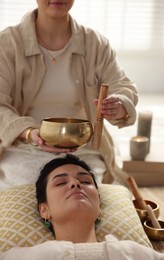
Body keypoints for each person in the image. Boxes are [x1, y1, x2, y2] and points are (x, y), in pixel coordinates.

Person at [0, 0, 138, 190]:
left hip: (82, 150)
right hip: (23, 149)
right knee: (31, 192)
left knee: (82, 194)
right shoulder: (7, 43)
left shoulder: (96, 44)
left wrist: (119, 105)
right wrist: (30, 133)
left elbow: (123, 86)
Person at [0, 154, 164, 260]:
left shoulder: (134, 253)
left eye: (85, 181)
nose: (75, 183)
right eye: (60, 183)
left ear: (98, 207)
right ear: (44, 210)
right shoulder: (24, 257)